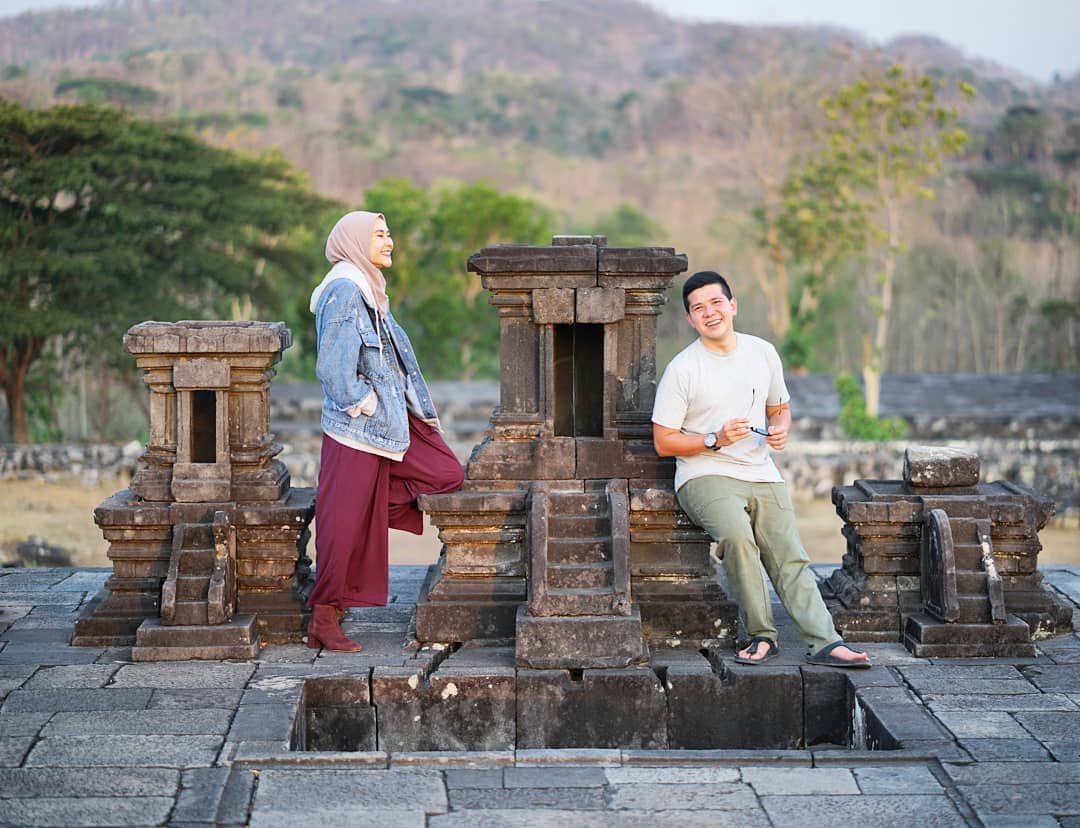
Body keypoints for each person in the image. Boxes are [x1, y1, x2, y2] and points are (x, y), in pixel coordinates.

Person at [652, 270, 870, 668]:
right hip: (704, 473)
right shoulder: (683, 369)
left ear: (732, 306)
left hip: (760, 470)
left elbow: (779, 408)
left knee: (790, 554)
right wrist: (714, 438)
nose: (709, 312)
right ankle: (761, 634)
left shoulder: (762, 352)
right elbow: (663, 440)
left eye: (716, 303)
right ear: (689, 319)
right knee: (738, 538)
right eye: (698, 308)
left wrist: (780, 431)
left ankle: (825, 641)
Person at [306, 210, 464, 652]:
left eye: (389, 232)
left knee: (446, 472)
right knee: (340, 522)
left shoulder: (371, 290)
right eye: (379, 234)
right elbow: (333, 369)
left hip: (389, 424)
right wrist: (366, 403)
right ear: (356, 241)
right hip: (355, 428)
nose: (389, 240)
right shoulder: (344, 289)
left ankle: (370, 512)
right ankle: (324, 616)